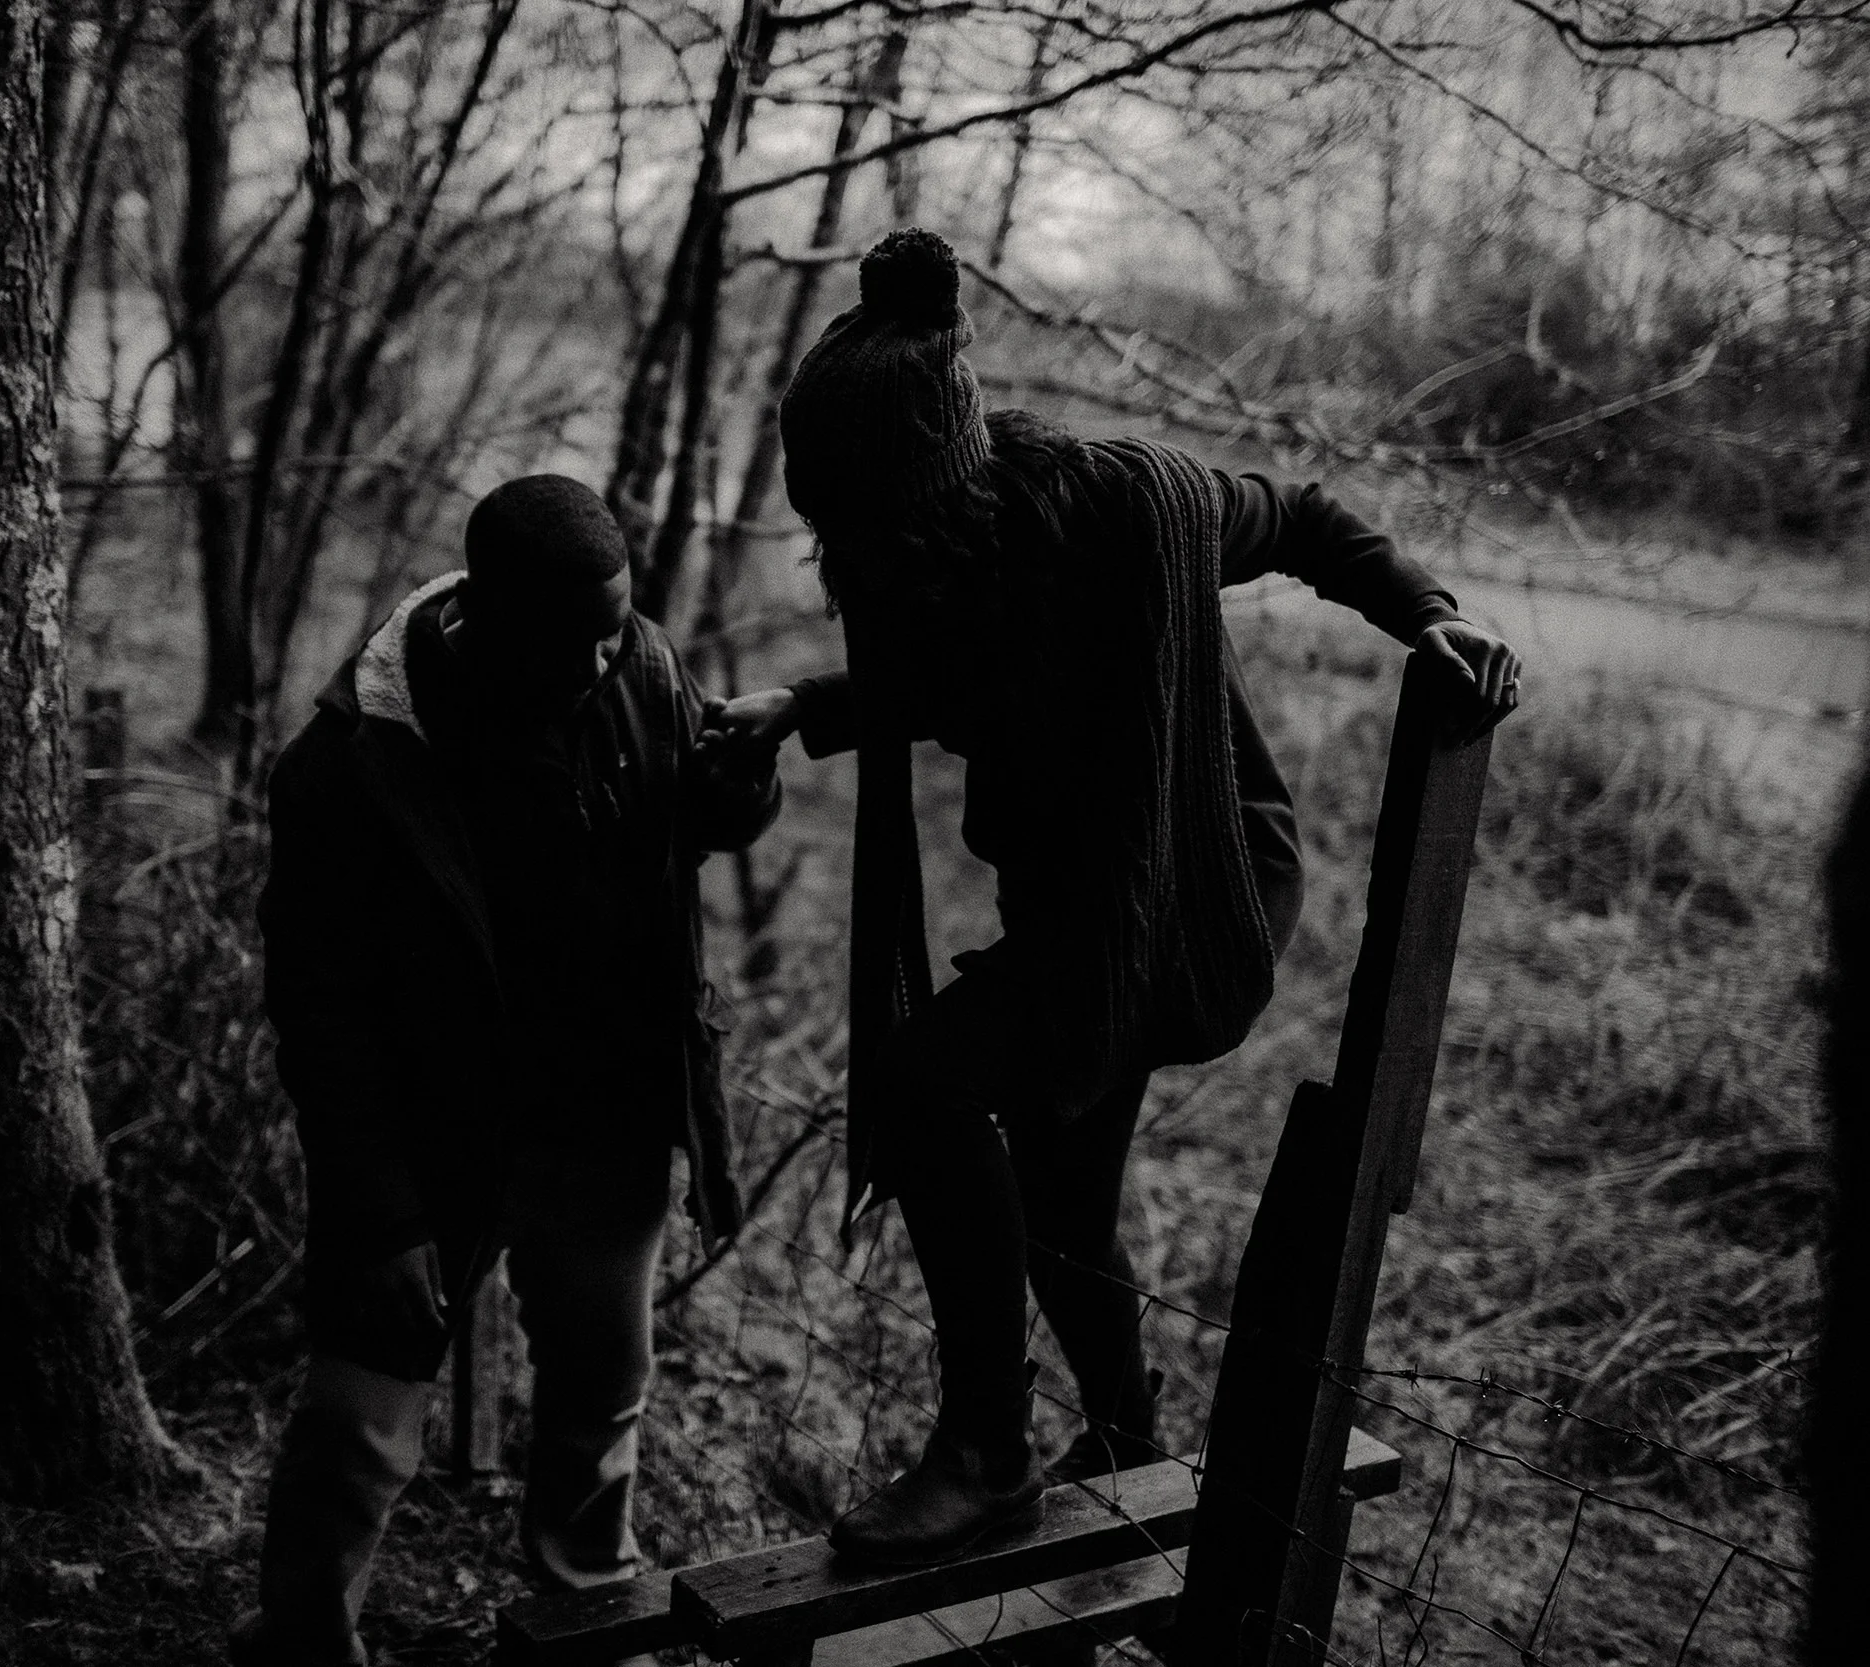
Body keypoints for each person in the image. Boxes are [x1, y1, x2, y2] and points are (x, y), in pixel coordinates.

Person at [707, 229, 1522, 1567]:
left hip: (1199, 884)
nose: (855, 560)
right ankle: (1128, 1444)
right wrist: (803, 703)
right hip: (1078, 910)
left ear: (936, 493)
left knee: (924, 1082)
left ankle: (988, 1452)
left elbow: (1301, 517)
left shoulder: (1130, 506)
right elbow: (963, 677)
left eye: (868, 531)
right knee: (1064, 1204)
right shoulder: (940, 563)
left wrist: (1425, 610)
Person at [231, 475, 782, 1665]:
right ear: (487, 616)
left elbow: (688, 817)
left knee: (600, 1395)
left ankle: (589, 1628)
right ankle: (300, 1643)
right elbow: (321, 1014)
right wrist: (383, 1216)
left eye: (613, 632)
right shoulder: (349, 763)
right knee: (357, 1429)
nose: (598, 663)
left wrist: (741, 790)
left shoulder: (641, 664)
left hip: (603, 1118)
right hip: (430, 1141)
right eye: (571, 641)